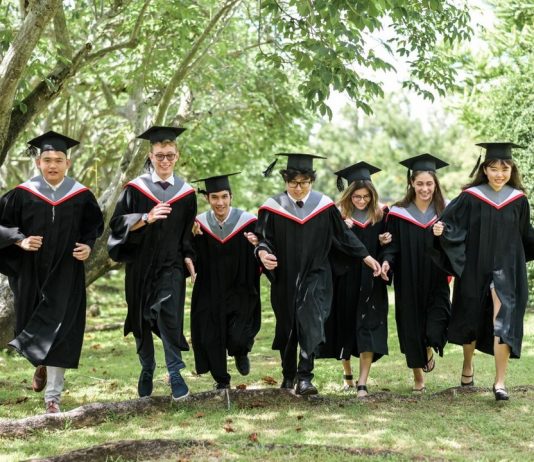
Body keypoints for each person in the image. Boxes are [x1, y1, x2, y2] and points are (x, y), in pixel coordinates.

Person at [254, 153, 382, 395]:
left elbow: (343, 236)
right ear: (285, 181)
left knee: (311, 321)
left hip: (316, 274)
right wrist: (263, 253)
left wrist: (365, 256)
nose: (298, 188)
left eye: (303, 182)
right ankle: (288, 375)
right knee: (288, 326)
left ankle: (305, 377)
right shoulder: (273, 207)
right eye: (293, 183)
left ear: (311, 181)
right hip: (285, 277)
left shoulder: (323, 206)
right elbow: (262, 239)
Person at [0, 131, 104, 413]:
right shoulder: (22, 194)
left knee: (62, 330)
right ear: (38, 163)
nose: (53, 165)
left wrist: (88, 246)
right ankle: (41, 363)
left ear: (68, 163)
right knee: (30, 327)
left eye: (58, 160)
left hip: (66, 271)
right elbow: (3, 225)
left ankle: (53, 398)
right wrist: (19, 240)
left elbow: (93, 227)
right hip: (30, 274)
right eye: (47, 160)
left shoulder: (81, 195)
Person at [432, 142, 534, 401]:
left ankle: (500, 383)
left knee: (504, 320)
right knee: (471, 316)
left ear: (512, 170)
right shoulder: (470, 196)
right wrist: (441, 230)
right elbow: (448, 223)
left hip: (507, 269)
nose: (500, 174)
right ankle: (468, 365)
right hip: (474, 267)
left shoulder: (519, 200)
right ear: (485, 169)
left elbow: (525, 236)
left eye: (505, 169)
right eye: (494, 168)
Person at [108, 126, 196, 401]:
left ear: (177, 156)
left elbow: (186, 235)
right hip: (140, 266)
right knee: (141, 320)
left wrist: (189, 257)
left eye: (170, 155)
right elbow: (117, 224)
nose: (165, 160)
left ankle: (175, 372)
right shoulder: (135, 189)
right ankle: (147, 367)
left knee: (169, 315)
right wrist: (146, 217)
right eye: (160, 156)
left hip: (171, 266)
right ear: (151, 156)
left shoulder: (186, 193)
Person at [380, 153, 451, 393]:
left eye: (429, 183)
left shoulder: (445, 211)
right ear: (411, 183)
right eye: (419, 183)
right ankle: (419, 379)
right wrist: (387, 261)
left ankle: (429, 346)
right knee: (411, 327)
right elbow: (391, 245)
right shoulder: (398, 212)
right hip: (408, 278)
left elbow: (458, 242)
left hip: (436, 277)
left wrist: (444, 234)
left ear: (435, 184)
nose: (424, 188)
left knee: (436, 325)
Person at [320, 162, 390, 398]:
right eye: (357, 196)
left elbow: (390, 247)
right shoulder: (337, 215)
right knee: (346, 326)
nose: (362, 201)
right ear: (349, 195)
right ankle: (347, 373)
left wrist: (385, 243)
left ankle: (362, 382)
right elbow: (326, 248)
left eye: (366, 197)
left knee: (368, 328)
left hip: (372, 279)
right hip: (345, 279)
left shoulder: (382, 214)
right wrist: (340, 230)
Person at [190, 173, 261, 389]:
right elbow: (187, 252)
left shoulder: (248, 222)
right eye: (214, 197)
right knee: (211, 335)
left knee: (239, 335)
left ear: (231, 197)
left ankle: (240, 352)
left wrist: (257, 244)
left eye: (224, 197)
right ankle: (222, 380)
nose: (220, 202)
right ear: (207, 198)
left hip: (241, 287)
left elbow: (265, 249)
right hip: (210, 288)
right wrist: (192, 239)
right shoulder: (198, 225)